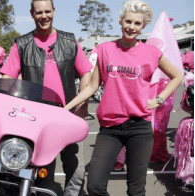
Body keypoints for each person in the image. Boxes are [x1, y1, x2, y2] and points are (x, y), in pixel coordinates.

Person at [65, 1, 183, 195]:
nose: (131, 27)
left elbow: (177, 76)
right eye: (128, 21)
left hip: (140, 127)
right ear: (121, 22)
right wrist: (68, 106)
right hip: (110, 128)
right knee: (94, 186)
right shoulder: (105, 49)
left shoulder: (151, 52)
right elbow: (93, 86)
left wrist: (159, 100)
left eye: (137, 23)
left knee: (136, 190)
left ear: (143, 26)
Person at [0, 0, 93, 195]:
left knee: (76, 172)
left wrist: (83, 106)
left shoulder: (69, 41)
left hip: (70, 117)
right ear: (32, 14)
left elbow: (86, 73)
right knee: (43, 175)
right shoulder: (22, 44)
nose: (44, 16)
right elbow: (6, 79)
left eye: (47, 11)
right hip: (37, 122)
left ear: (54, 11)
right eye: (39, 12)